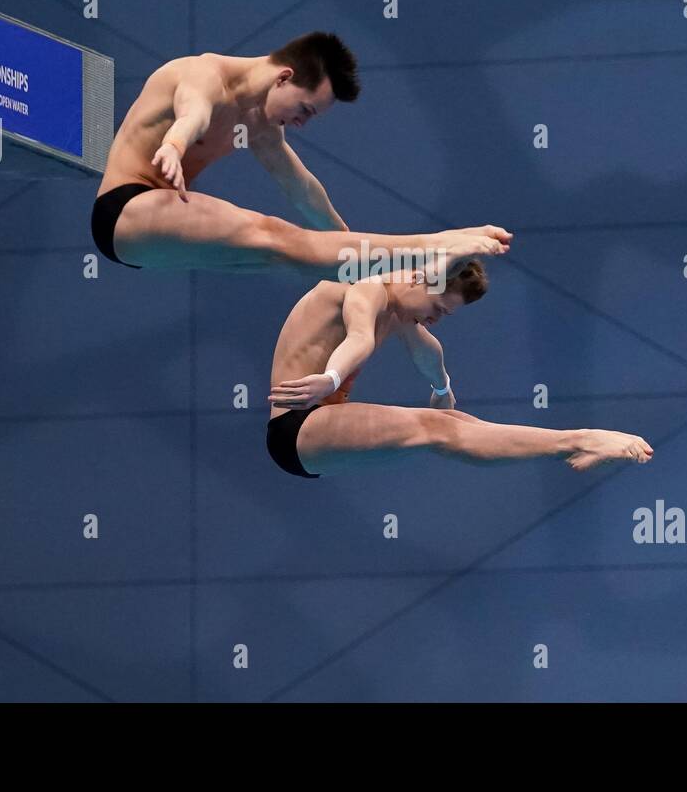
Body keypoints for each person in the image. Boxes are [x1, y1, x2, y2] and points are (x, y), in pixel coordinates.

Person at [91, 31, 510, 274]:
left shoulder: (259, 122)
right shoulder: (204, 74)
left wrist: (346, 241)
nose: (301, 124)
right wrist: (175, 143)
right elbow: (194, 112)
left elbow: (302, 190)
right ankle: (438, 245)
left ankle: (415, 273)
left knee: (297, 258)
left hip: (146, 240)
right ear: (284, 78)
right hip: (125, 208)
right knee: (278, 235)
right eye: (305, 109)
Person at [265, 262, 655, 478]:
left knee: (452, 422)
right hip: (296, 426)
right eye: (436, 309)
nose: (434, 320)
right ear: (418, 278)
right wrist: (331, 379)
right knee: (437, 429)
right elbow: (359, 339)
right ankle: (579, 440)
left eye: (444, 315)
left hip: (312, 434)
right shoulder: (365, 290)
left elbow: (428, 351)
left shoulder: (398, 309)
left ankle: (570, 447)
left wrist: (441, 387)